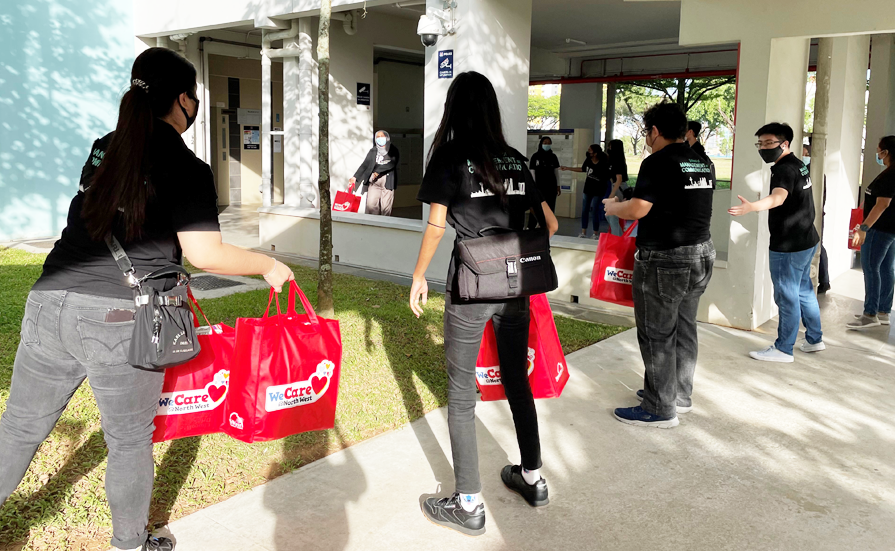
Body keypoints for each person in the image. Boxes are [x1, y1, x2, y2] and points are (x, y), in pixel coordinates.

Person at [0, 48, 294, 551]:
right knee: (129, 440)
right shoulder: (186, 166)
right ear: (182, 100)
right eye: (194, 97)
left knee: (20, 427)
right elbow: (206, 254)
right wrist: (270, 265)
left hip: (49, 300)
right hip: (118, 317)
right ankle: (130, 544)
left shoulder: (102, 148)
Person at [409, 71, 559, 536]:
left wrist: (418, 276)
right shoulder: (515, 159)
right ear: (491, 109)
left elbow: (437, 226)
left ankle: (468, 503)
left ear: (455, 108)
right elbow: (549, 224)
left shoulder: (451, 157)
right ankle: (532, 478)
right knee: (517, 380)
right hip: (517, 287)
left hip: (472, 287)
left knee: (459, 394)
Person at [603, 102, 715, 428]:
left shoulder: (657, 162)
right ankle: (678, 394)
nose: (646, 138)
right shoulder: (701, 161)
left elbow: (638, 209)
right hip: (701, 254)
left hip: (666, 258)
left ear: (654, 131)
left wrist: (614, 206)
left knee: (656, 333)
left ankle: (658, 408)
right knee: (684, 327)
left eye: (646, 131)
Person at [729, 122, 824, 361]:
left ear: (785, 144)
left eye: (768, 143)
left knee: (787, 296)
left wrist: (752, 207)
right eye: (760, 143)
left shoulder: (783, 169)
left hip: (789, 246)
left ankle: (784, 349)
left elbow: (778, 198)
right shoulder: (798, 164)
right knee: (803, 291)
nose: (763, 148)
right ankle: (815, 339)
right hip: (807, 239)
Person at [848, 135, 895, 329]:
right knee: (886, 268)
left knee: (870, 267)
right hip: (889, 229)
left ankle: (870, 314)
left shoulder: (891, 175)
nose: (877, 153)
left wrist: (864, 228)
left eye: (879, 149)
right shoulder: (890, 172)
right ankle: (883, 311)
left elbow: (882, 204)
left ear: (886, 152)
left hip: (879, 229)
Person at [562, 144, 611, 238]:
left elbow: (607, 177)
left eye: (590, 150)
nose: (588, 152)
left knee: (595, 210)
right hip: (588, 189)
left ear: (595, 153)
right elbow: (583, 169)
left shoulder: (604, 162)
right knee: (585, 209)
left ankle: (595, 233)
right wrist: (568, 168)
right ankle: (583, 232)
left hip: (599, 190)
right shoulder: (588, 160)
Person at [350, 130, 400, 216]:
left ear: (387, 138)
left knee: (385, 207)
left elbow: (392, 163)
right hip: (374, 181)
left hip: (387, 181)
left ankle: (385, 225)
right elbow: (365, 164)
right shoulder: (373, 150)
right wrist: (355, 177)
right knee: (371, 205)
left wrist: (378, 171)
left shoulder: (393, 150)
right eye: (378, 137)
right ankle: (375, 223)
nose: (380, 139)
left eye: (382, 136)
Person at [803, 143, 831, 293]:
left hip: (814, 215)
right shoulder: (810, 171)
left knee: (817, 246)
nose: (803, 157)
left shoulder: (814, 173)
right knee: (818, 245)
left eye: (805, 154)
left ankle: (823, 280)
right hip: (813, 214)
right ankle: (823, 280)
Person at [527, 135, 561, 229]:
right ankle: (532, 225)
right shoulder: (535, 156)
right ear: (541, 144)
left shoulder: (553, 156)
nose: (547, 145)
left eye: (549, 143)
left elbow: (556, 172)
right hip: (539, 185)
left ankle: (548, 225)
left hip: (551, 185)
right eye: (545, 143)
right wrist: (533, 186)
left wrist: (558, 185)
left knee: (550, 205)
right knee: (537, 205)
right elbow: (532, 171)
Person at [605, 139, 630, 236]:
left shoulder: (618, 161)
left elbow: (619, 179)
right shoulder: (613, 159)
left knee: (612, 214)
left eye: (610, 146)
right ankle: (617, 236)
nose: (609, 148)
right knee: (611, 215)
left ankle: (617, 238)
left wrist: (612, 194)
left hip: (619, 187)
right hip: (615, 186)